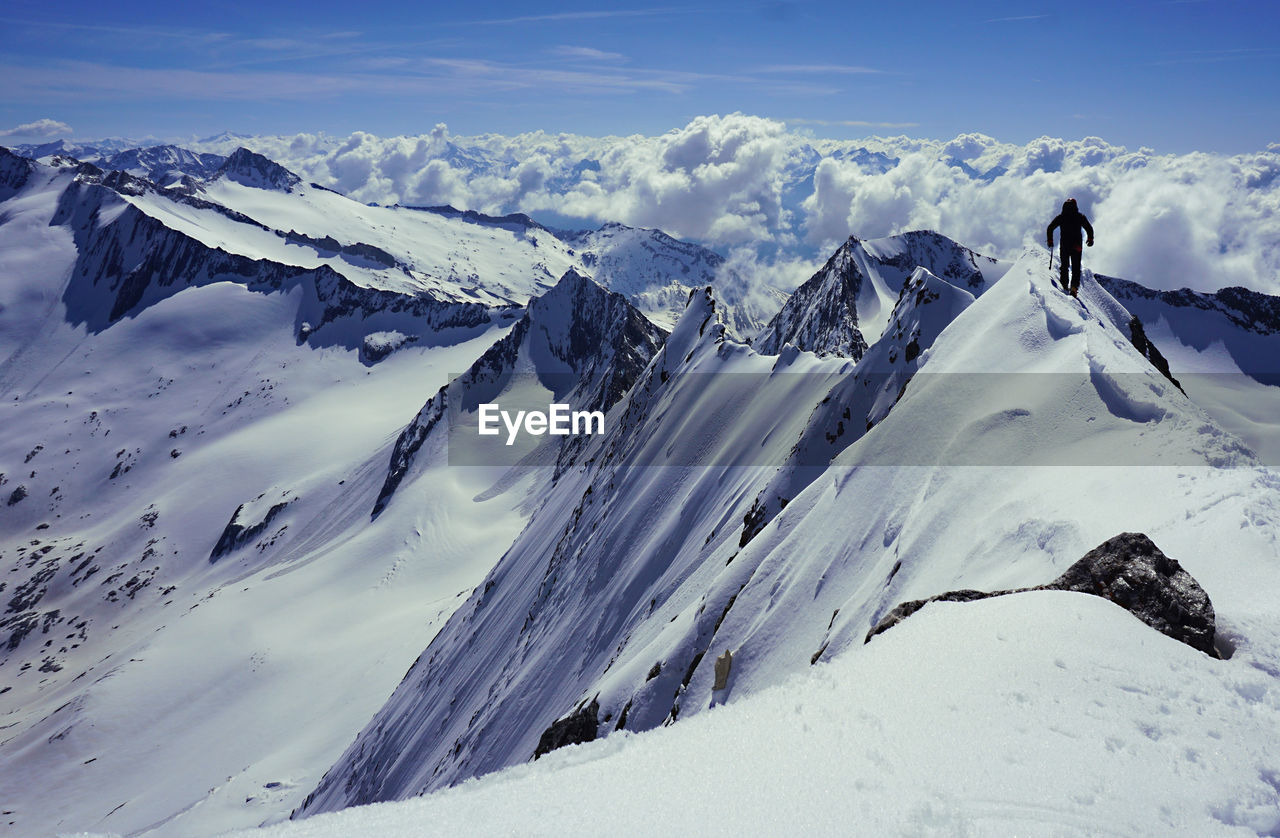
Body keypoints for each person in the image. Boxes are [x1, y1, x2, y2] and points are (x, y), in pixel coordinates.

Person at [1046, 198, 1094, 297]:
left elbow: (1050, 227)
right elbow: (1089, 228)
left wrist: (1050, 240)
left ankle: (1064, 284)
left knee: (1064, 265)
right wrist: (1090, 239)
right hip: (1077, 246)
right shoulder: (1080, 217)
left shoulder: (1061, 217)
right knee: (1076, 267)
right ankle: (1074, 287)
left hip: (1065, 245)